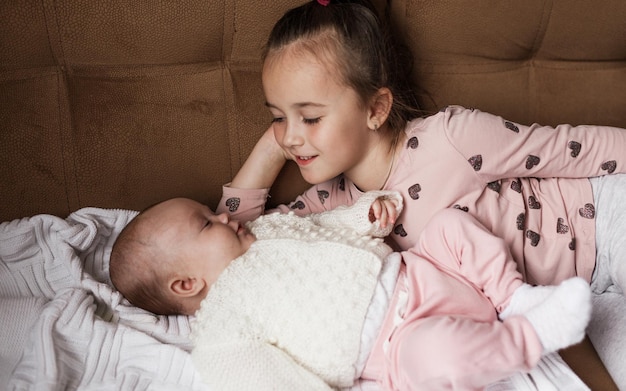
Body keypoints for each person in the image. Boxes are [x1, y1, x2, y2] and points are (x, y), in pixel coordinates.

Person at [216, 0, 626, 385]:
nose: (291, 135)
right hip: (566, 302)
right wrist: (272, 146)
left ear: (375, 109)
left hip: (600, 218)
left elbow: (570, 149)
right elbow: (233, 239)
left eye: (309, 117)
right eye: (276, 117)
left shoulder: (451, 139)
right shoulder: (331, 206)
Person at [109, 190, 592, 390]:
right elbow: (272, 382)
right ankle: (529, 338)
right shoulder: (220, 330)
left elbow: (324, 226)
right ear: (187, 284)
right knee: (436, 356)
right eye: (207, 223)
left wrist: (367, 213)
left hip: (420, 268)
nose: (225, 216)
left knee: (450, 225)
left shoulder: (267, 231)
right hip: (396, 341)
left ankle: (514, 297)